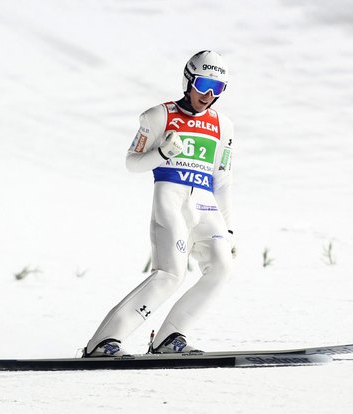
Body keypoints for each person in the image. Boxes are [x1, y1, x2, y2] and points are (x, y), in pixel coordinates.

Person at [83, 50, 235, 357]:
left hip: (206, 203)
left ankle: (169, 339)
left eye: (216, 88)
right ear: (188, 80)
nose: (207, 95)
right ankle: (103, 342)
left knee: (222, 267)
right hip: (171, 197)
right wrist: (162, 154)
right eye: (203, 84)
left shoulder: (224, 126)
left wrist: (229, 228)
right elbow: (132, 163)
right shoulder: (158, 116)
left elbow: (223, 181)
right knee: (170, 274)